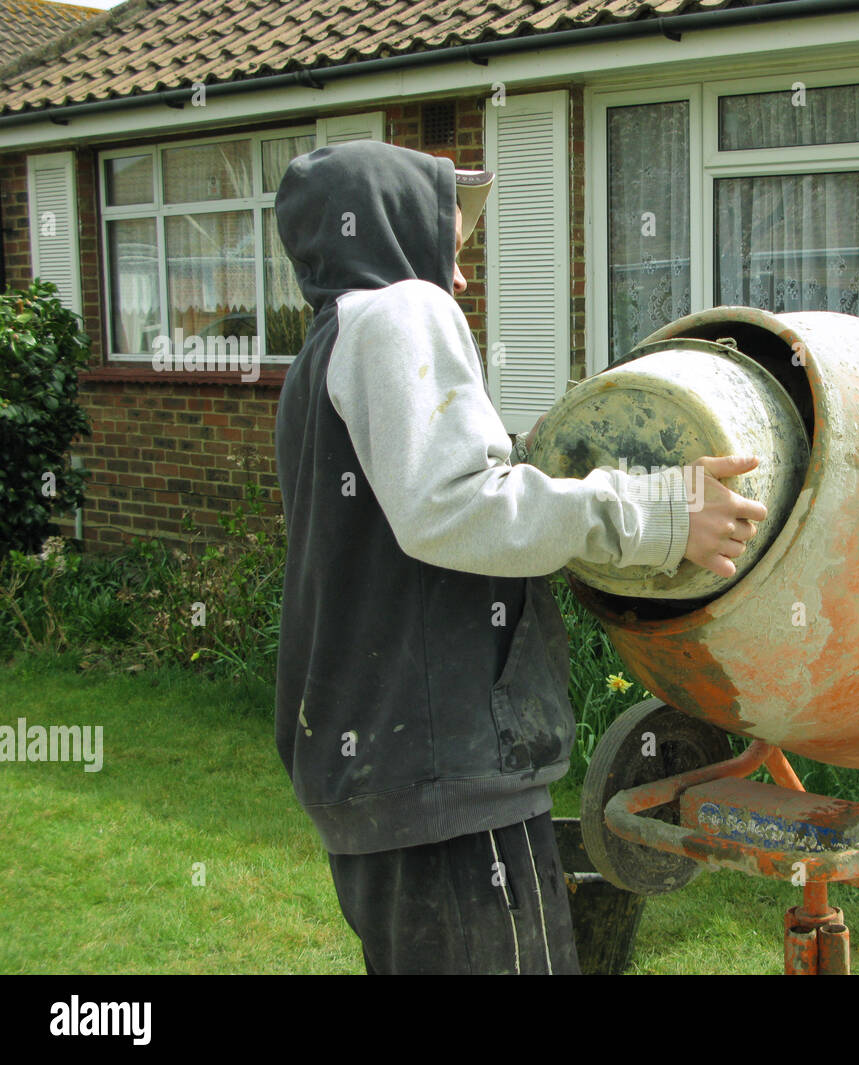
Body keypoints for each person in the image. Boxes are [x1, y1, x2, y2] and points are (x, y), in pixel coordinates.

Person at [272, 139, 767, 974]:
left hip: (383, 778)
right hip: (445, 781)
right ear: (392, 233)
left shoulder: (321, 353)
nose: (457, 280)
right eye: (449, 249)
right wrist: (657, 516)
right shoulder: (399, 312)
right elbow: (455, 508)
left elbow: (432, 508)